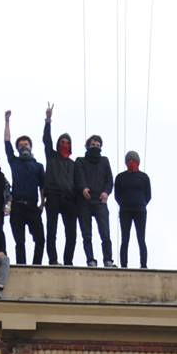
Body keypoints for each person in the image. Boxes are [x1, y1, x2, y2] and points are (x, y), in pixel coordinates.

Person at [4, 109, 46, 265]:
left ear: (31, 146)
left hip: (32, 207)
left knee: (40, 239)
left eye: (26, 144)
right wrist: (7, 121)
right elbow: (7, 142)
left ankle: (36, 266)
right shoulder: (14, 161)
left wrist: (42, 203)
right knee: (19, 241)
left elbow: (43, 186)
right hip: (17, 207)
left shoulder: (38, 166)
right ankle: (21, 266)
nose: (23, 147)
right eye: (20, 145)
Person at [41, 104, 79, 265]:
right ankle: (53, 260)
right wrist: (48, 120)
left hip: (70, 199)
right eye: (62, 142)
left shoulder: (73, 164)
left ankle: (68, 261)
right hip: (54, 196)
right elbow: (46, 140)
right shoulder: (52, 156)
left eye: (67, 142)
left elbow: (77, 183)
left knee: (71, 233)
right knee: (52, 231)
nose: (64, 144)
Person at [75, 133, 116, 267]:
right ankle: (90, 260)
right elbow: (78, 177)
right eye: (93, 145)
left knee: (105, 233)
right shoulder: (80, 161)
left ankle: (108, 259)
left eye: (98, 145)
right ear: (87, 146)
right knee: (87, 234)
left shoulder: (104, 161)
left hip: (100, 201)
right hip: (85, 201)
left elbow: (110, 179)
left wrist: (106, 192)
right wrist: (83, 188)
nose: (95, 147)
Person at [114, 150, 152, 270]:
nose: (131, 162)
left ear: (138, 162)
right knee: (125, 239)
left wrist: (141, 204)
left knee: (141, 238)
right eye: (129, 160)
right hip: (125, 211)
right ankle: (124, 266)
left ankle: (144, 265)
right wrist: (124, 204)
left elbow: (148, 195)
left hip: (140, 211)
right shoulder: (120, 177)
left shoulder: (144, 177)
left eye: (133, 160)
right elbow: (117, 195)